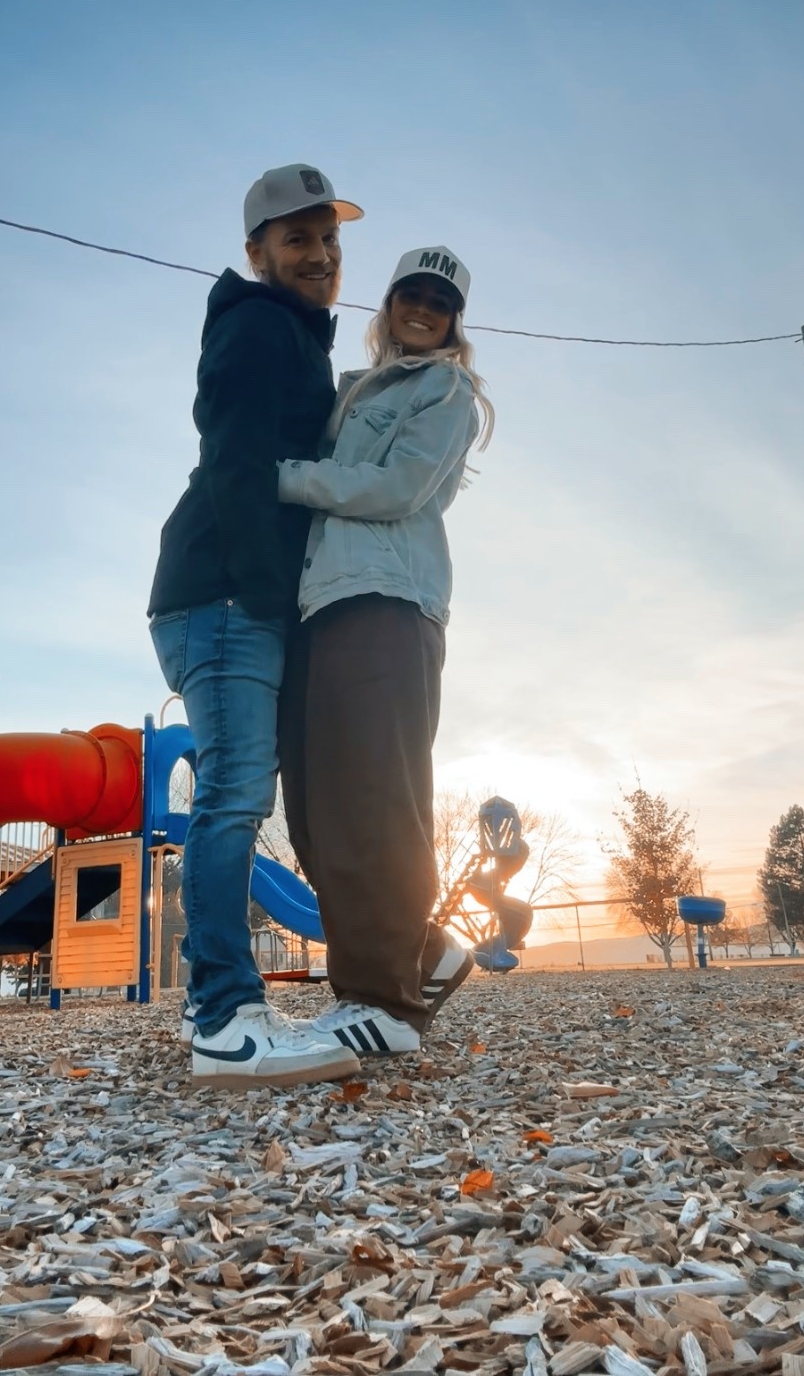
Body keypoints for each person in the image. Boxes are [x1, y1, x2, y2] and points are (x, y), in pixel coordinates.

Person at [147, 163, 365, 1089]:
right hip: (225, 593)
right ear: (257, 252)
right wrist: (273, 594)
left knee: (245, 791)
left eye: (328, 238)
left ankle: (232, 1007)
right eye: (296, 239)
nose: (318, 254)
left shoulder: (292, 334)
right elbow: (235, 465)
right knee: (234, 793)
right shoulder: (255, 327)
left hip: (229, 593)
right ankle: (223, 1020)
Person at [277, 246, 495, 1055]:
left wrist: (287, 478)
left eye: (441, 303)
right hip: (320, 601)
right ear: (391, 301)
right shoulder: (356, 390)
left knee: (373, 794)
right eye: (414, 294)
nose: (425, 309)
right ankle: (425, 950)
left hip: (388, 602)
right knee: (310, 803)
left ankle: (382, 1002)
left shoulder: (446, 390)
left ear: (454, 322)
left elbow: (397, 488)